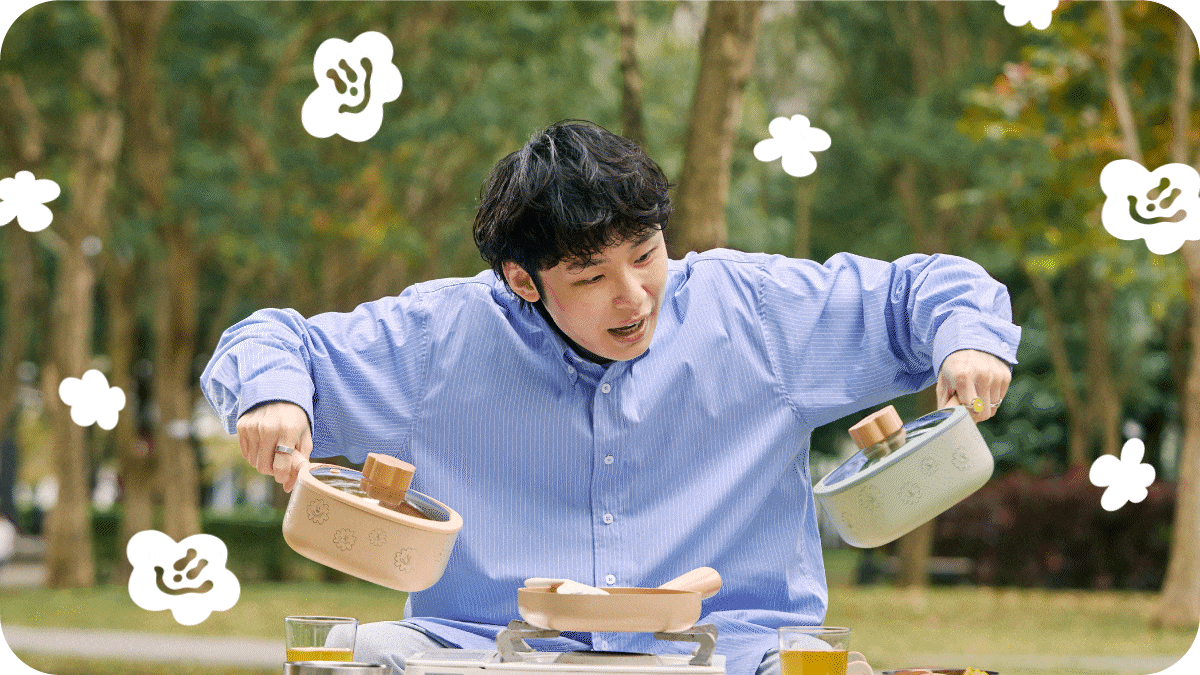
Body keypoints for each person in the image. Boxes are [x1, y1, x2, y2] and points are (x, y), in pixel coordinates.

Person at [201, 120, 1019, 675]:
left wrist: (967, 340)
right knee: (356, 659)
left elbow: (926, 289)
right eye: (591, 276)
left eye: (646, 253)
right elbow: (269, 341)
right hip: (481, 650)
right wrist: (275, 400)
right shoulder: (436, 339)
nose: (633, 296)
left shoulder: (758, 315)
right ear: (523, 280)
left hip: (736, 653)